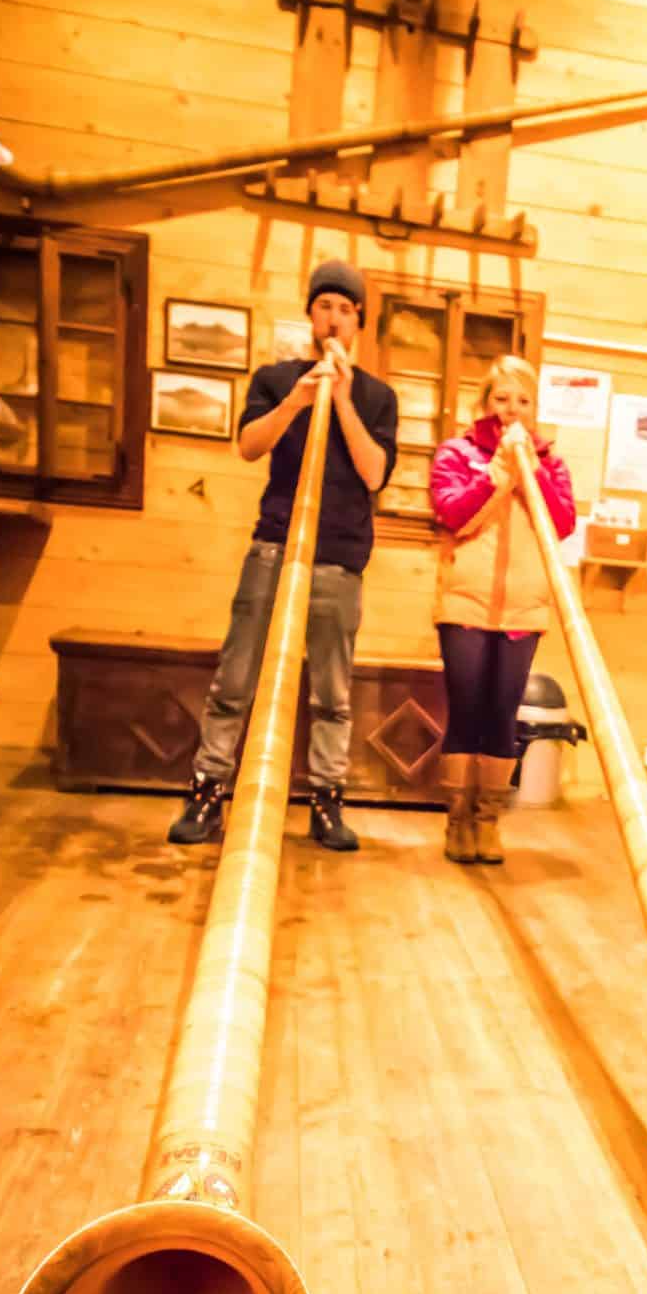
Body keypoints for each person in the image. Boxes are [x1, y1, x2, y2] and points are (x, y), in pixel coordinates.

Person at [168, 259, 398, 850]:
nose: (335, 318)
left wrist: (343, 399)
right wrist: (299, 399)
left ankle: (325, 801)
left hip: (339, 559)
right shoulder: (275, 379)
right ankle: (208, 791)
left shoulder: (378, 397)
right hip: (274, 548)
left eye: (347, 310)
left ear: (359, 325)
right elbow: (248, 446)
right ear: (311, 314)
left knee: (332, 693)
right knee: (235, 677)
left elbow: (374, 474)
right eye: (325, 306)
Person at [428, 354, 576, 864]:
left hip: (522, 607)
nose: (512, 411)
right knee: (465, 713)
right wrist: (496, 473)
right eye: (502, 399)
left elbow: (561, 524)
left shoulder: (550, 463)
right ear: (486, 403)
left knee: (501, 716)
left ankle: (488, 822)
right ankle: (457, 822)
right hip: (466, 604)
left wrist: (531, 472)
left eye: (523, 401)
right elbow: (450, 512)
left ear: (535, 408)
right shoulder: (459, 452)